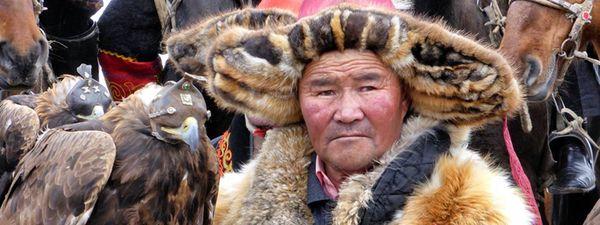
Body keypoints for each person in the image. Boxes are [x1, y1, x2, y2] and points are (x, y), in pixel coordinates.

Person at [169, 2, 534, 224]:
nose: (346, 112)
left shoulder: (478, 212)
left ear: (406, 97)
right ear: (298, 102)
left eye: (369, 86)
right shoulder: (227, 207)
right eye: (323, 90)